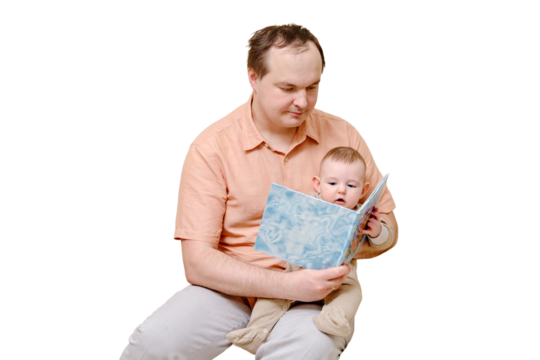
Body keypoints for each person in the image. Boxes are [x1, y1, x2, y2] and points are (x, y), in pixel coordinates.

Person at [119, 20, 398, 359]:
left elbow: (389, 230)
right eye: (288, 88)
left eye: (312, 87)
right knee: (152, 345)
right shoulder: (211, 146)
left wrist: (362, 237)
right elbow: (196, 263)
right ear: (253, 77)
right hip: (228, 290)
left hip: (315, 293)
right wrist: (285, 285)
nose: (302, 101)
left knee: (310, 349)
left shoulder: (345, 134)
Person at [226, 147, 395, 356]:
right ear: (318, 184)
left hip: (341, 279)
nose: (341, 190)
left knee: (353, 293)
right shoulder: (310, 203)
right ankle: (254, 333)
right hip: (296, 273)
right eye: (332, 184)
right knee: (270, 298)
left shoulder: (361, 214)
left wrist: (377, 231)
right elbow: (286, 223)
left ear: (363, 189)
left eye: (351, 185)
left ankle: (332, 319)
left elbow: (383, 242)